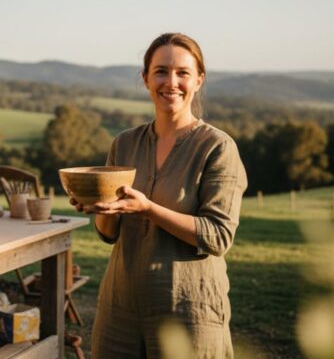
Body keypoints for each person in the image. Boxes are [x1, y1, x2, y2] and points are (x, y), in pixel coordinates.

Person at [70, 32, 247, 359]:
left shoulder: (217, 148)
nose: (171, 82)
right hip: (121, 308)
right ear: (146, 78)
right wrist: (102, 209)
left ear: (199, 80)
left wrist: (148, 209)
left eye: (183, 72)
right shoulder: (124, 144)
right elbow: (109, 235)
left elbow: (218, 237)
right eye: (161, 71)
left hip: (187, 310)